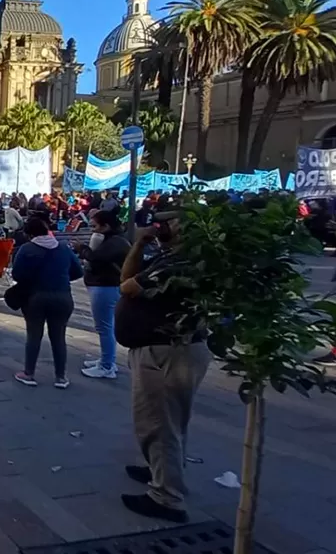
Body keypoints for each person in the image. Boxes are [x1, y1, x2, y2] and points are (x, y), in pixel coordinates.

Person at [115, 208, 210, 523]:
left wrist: (141, 245)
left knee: (159, 423)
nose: (159, 227)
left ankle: (166, 497)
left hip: (167, 351)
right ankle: (163, 472)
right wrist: (141, 245)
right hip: (173, 349)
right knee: (171, 420)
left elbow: (126, 285)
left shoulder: (179, 264)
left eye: (166, 222)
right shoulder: (180, 260)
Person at [10, 217, 82, 389]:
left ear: (29, 234)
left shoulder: (26, 249)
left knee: (34, 335)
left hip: (36, 297)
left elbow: (16, 275)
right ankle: (61, 377)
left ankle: (29, 373)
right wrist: (60, 279)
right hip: (63, 297)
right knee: (58, 337)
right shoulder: (64, 248)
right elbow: (78, 271)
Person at [77, 209, 130, 380]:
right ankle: (106, 360)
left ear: (106, 226)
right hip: (103, 285)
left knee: (104, 326)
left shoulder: (115, 242)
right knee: (105, 326)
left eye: (95, 226)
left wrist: (83, 249)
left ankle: (107, 365)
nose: (92, 230)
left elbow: (96, 258)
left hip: (106, 286)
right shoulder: (111, 239)